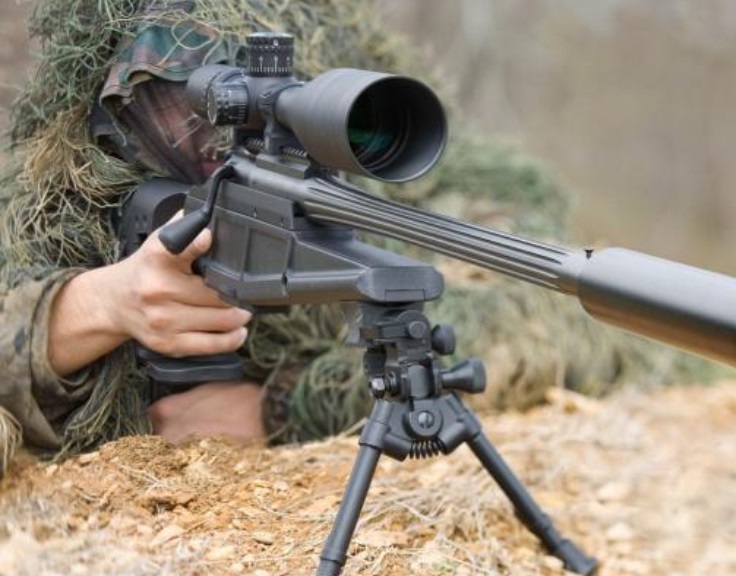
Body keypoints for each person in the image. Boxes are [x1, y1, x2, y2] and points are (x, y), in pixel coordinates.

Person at [0, 0, 691, 475]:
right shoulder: (50, 194)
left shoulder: (401, 179)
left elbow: (557, 327)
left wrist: (286, 405)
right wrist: (93, 306)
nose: (213, 143)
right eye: (176, 109)